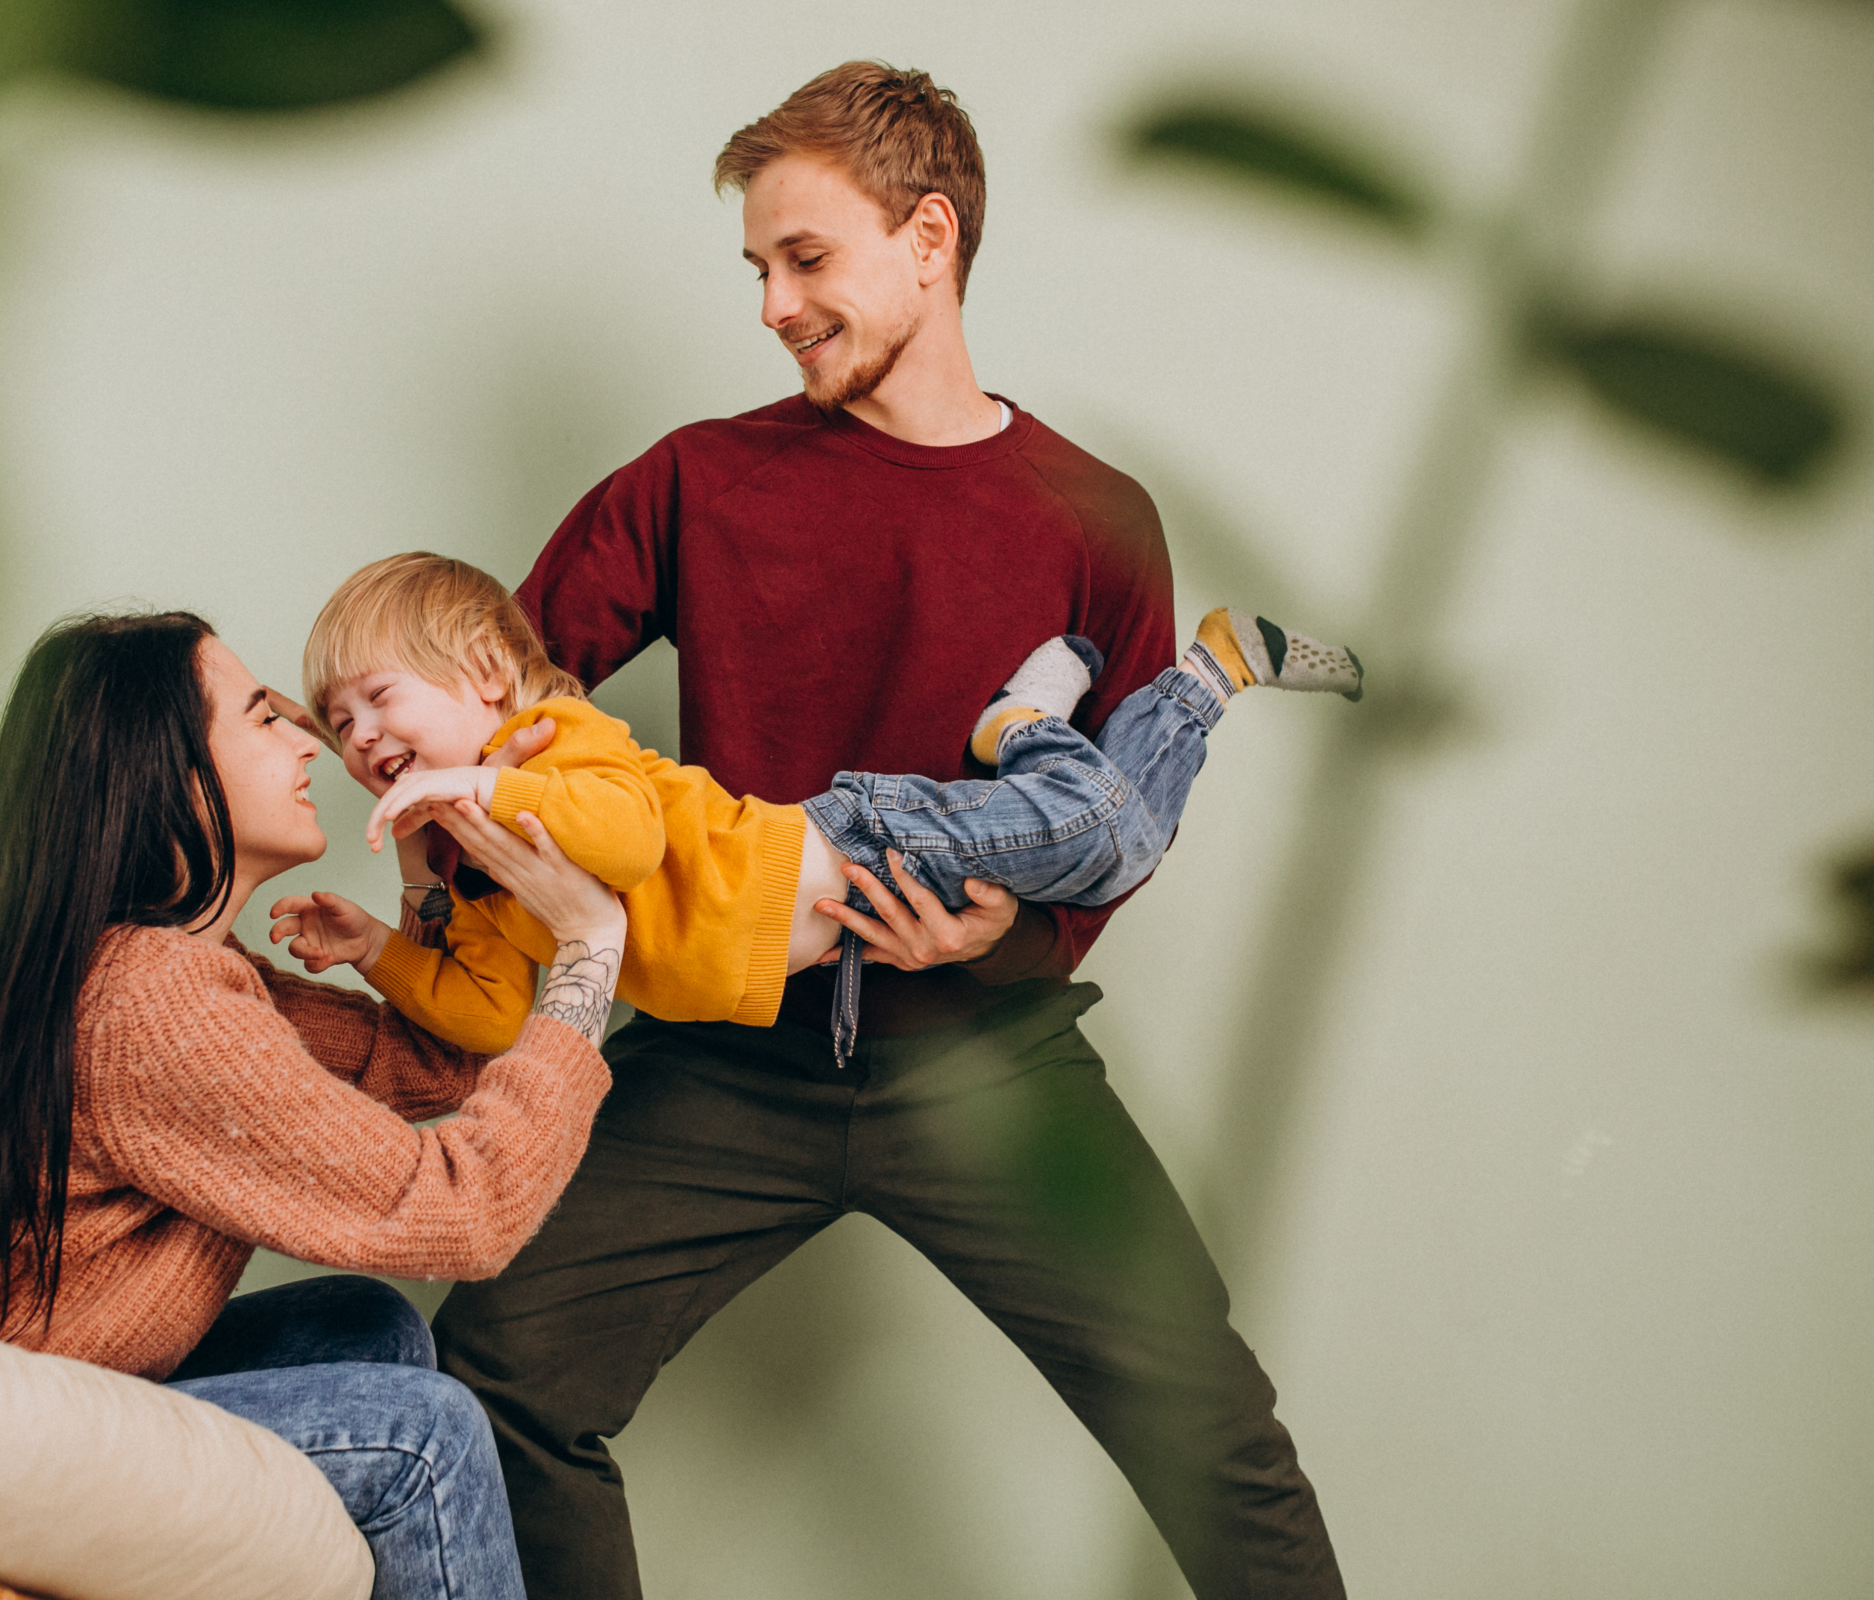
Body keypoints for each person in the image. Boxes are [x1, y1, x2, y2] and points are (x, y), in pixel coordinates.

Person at [415, 62, 1347, 1600]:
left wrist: (1011, 931)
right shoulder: (697, 482)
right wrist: (448, 832)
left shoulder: (1097, 520)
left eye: (805, 259)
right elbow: (502, 693)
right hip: (730, 1055)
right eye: (757, 269)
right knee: (496, 1370)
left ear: (929, 239)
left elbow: (1118, 814)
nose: (773, 306)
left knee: (1216, 1430)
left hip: (990, 1067)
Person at [0, 609, 629, 1600]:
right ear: (169, 776)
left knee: (367, 1325)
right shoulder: (153, 1005)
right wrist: (591, 950)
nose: (311, 742)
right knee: (421, 1438)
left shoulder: (168, 971)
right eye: (265, 716)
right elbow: (466, 1212)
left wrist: (431, 873)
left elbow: (439, 1059)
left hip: (12, 1389)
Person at [275, 552, 1359, 1067]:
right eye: (339, 722)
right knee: (1112, 833)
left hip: (861, 843)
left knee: (1111, 836)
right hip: (854, 922)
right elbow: (493, 1015)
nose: (359, 736)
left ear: (484, 673)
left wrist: (480, 785)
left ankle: (1172, 685)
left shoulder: (556, 741)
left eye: (378, 699)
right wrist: (379, 944)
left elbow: (625, 840)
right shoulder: (475, 872)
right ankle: (1047, 721)